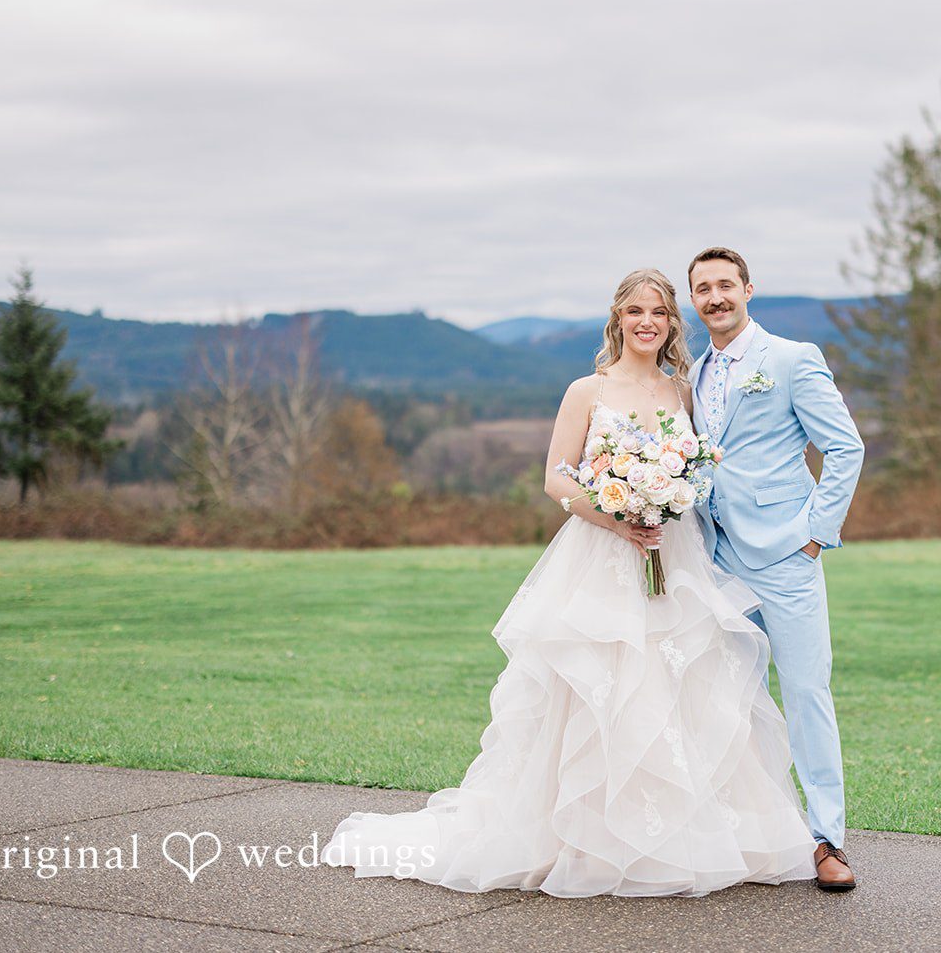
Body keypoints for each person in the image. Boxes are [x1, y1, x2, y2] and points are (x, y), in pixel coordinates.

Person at [318, 268, 819, 897]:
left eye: (660, 313)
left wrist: (664, 502)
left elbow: (697, 470)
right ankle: (587, 839)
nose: (648, 323)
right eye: (636, 311)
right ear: (617, 318)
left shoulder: (683, 392)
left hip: (673, 557)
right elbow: (558, 478)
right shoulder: (587, 389)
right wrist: (618, 515)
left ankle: (686, 836)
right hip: (603, 558)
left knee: (680, 685)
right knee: (599, 689)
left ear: (671, 325)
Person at [687, 246, 865, 891]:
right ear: (695, 300)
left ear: (748, 289)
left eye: (725, 285)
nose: (715, 297)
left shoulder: (790, 359)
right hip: (717, 558)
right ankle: (746, 830)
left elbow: (845, 446)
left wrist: (817, 535)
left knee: (808, 694)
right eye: (703, 288)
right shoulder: (696, 372)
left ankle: (827, 840)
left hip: (787, 558)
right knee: (727, 698)